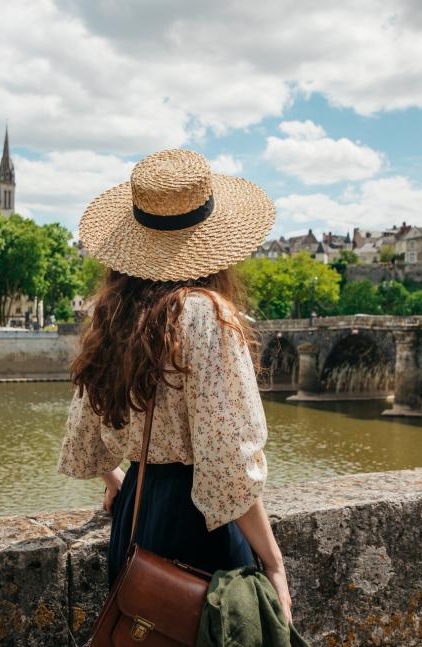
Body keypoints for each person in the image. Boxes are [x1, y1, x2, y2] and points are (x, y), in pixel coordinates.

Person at [56, 148, 293, 623]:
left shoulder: (113, 319)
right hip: (198, 525)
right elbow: (230, 468)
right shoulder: (208, 316)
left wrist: (120, 480)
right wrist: (274, 562)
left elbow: (84, 434)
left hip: (136, 516)